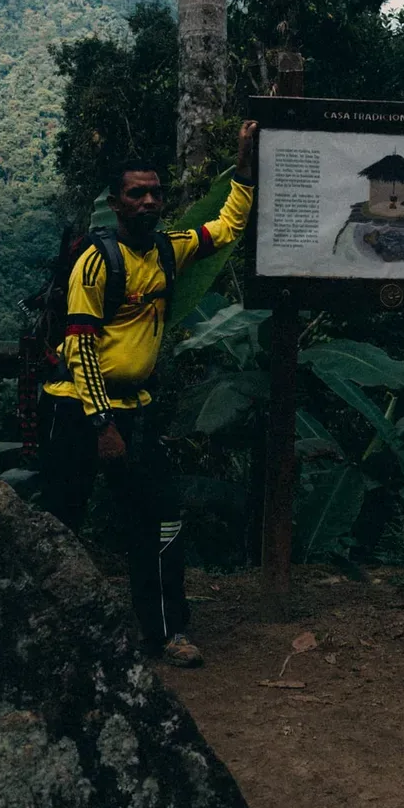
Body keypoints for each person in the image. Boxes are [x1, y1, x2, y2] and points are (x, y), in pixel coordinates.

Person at [39, 122, 259, 668]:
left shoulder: (166, 250)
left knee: (160, 518)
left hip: (135, 411)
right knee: (62, 519)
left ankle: (166, 631)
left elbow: (225, 229)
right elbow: (80, 347)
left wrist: (246, 166)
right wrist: (101, 425)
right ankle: (41, 630)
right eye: (136, 193)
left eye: (156, 192)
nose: (149, 201)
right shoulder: (96, 261)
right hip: (80, 410)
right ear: (115, 203)